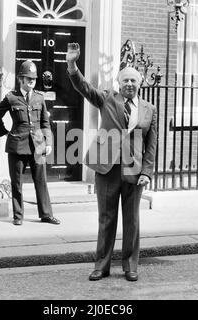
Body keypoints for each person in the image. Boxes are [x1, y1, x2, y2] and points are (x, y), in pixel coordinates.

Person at [66, 43, 157, 281]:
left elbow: (151, 145)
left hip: (134, 170)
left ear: (140, 84)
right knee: (106, 219)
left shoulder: (149, 109)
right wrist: (72, 65)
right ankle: (101, 266)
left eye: (133, 81)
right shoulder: (107, 98)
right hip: (107, 168)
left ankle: (130, 266)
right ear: (118, 83)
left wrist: (147, 171)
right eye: (125, 80)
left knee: (132, 220)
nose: (129, 84)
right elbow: (83, 87)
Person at [0, 60, 60, 226]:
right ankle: (18, 216)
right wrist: (4, 132)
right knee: (17, 183)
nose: (31, 81)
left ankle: (46, 214)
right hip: (17, 144)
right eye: (28, 78)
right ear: (20, 79)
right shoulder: (11, 97)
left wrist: (48, 141)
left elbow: (45, 122)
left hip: (38, 144)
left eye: (34, 79)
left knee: (41, 181)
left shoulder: (39, 97)